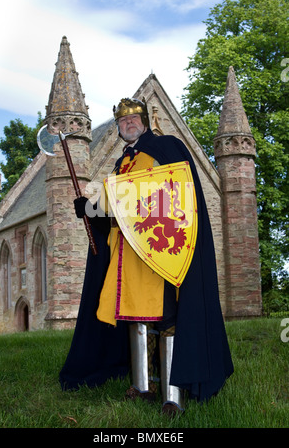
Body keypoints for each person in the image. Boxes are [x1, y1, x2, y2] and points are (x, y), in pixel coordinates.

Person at [59, 97, 234, 416]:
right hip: (130, 257)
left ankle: (172, 394)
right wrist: (90, 210)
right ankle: (143, 387)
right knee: (136, 319)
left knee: (168, 320)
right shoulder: (122, 164)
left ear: (144, 121)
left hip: (163, 251)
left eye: (133, 119)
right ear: (118, 130)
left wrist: (115, 205)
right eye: (122, 122)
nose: (128, 124)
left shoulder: (167, 148)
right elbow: (117, 212)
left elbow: (173, 195)